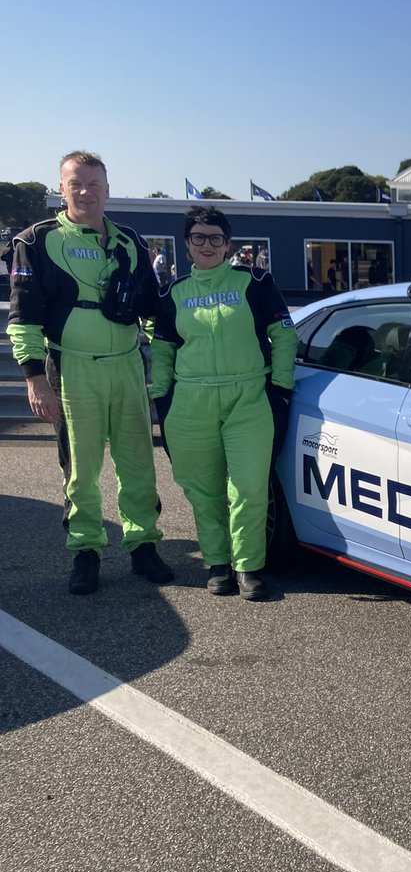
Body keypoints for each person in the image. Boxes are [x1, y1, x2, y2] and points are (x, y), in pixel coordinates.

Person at [5, 150, 175, 594]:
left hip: (126, 366)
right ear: (60, 189)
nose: (85, 192)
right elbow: (23, 317)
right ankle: (85, 551)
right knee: (80, 467)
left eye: (94, 184)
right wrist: (33, 377)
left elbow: (154, 309)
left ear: (107, 189)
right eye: (75, 184)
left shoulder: (129, 241)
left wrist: (164, 360)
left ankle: (143, 546)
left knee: (138, 463)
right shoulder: (37, 240)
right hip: (71, 366)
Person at [151, 206, 298, 601]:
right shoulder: (171, 292)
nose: (207, 245)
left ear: (228, 244)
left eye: (216, 237)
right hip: (190, 402)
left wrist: (280, 387)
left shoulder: (255, 281)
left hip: (248, 398)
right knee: (204, 491)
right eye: (198, 237)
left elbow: (284, 335)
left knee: (249, 488)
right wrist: (161, 398)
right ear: (186, 245)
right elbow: (162, 350)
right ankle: (218, 565)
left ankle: (249, 567)